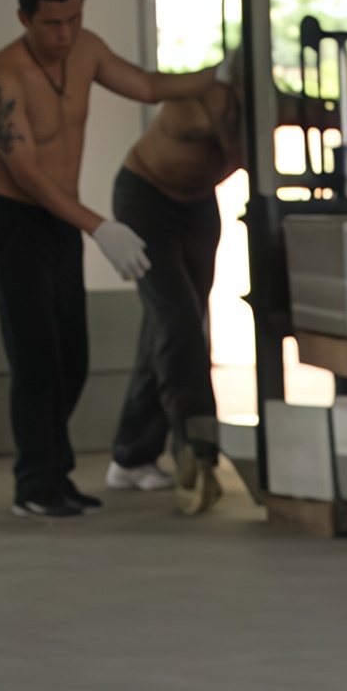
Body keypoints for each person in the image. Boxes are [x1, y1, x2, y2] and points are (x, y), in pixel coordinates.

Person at [0, 0, 227, 523]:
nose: (64, 34)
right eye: (51, 24)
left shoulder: (85, 50)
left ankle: (56, 475)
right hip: (13, 222)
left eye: (74, 19)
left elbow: (148, 86)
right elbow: (26, 174)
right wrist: (99, 225)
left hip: (61, 222)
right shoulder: (3, 77)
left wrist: (217, 74)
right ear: (24, 18)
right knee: (36, 359)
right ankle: (34, 483)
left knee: (73, 359)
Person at [102, 70, 245, 514]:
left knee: (171, 325)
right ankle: (197, 452)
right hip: (145, 202)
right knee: (179, 323)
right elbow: (234, 148)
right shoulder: (194, 104)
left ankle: (131, 458)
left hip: (198, 208)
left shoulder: (259, 103)